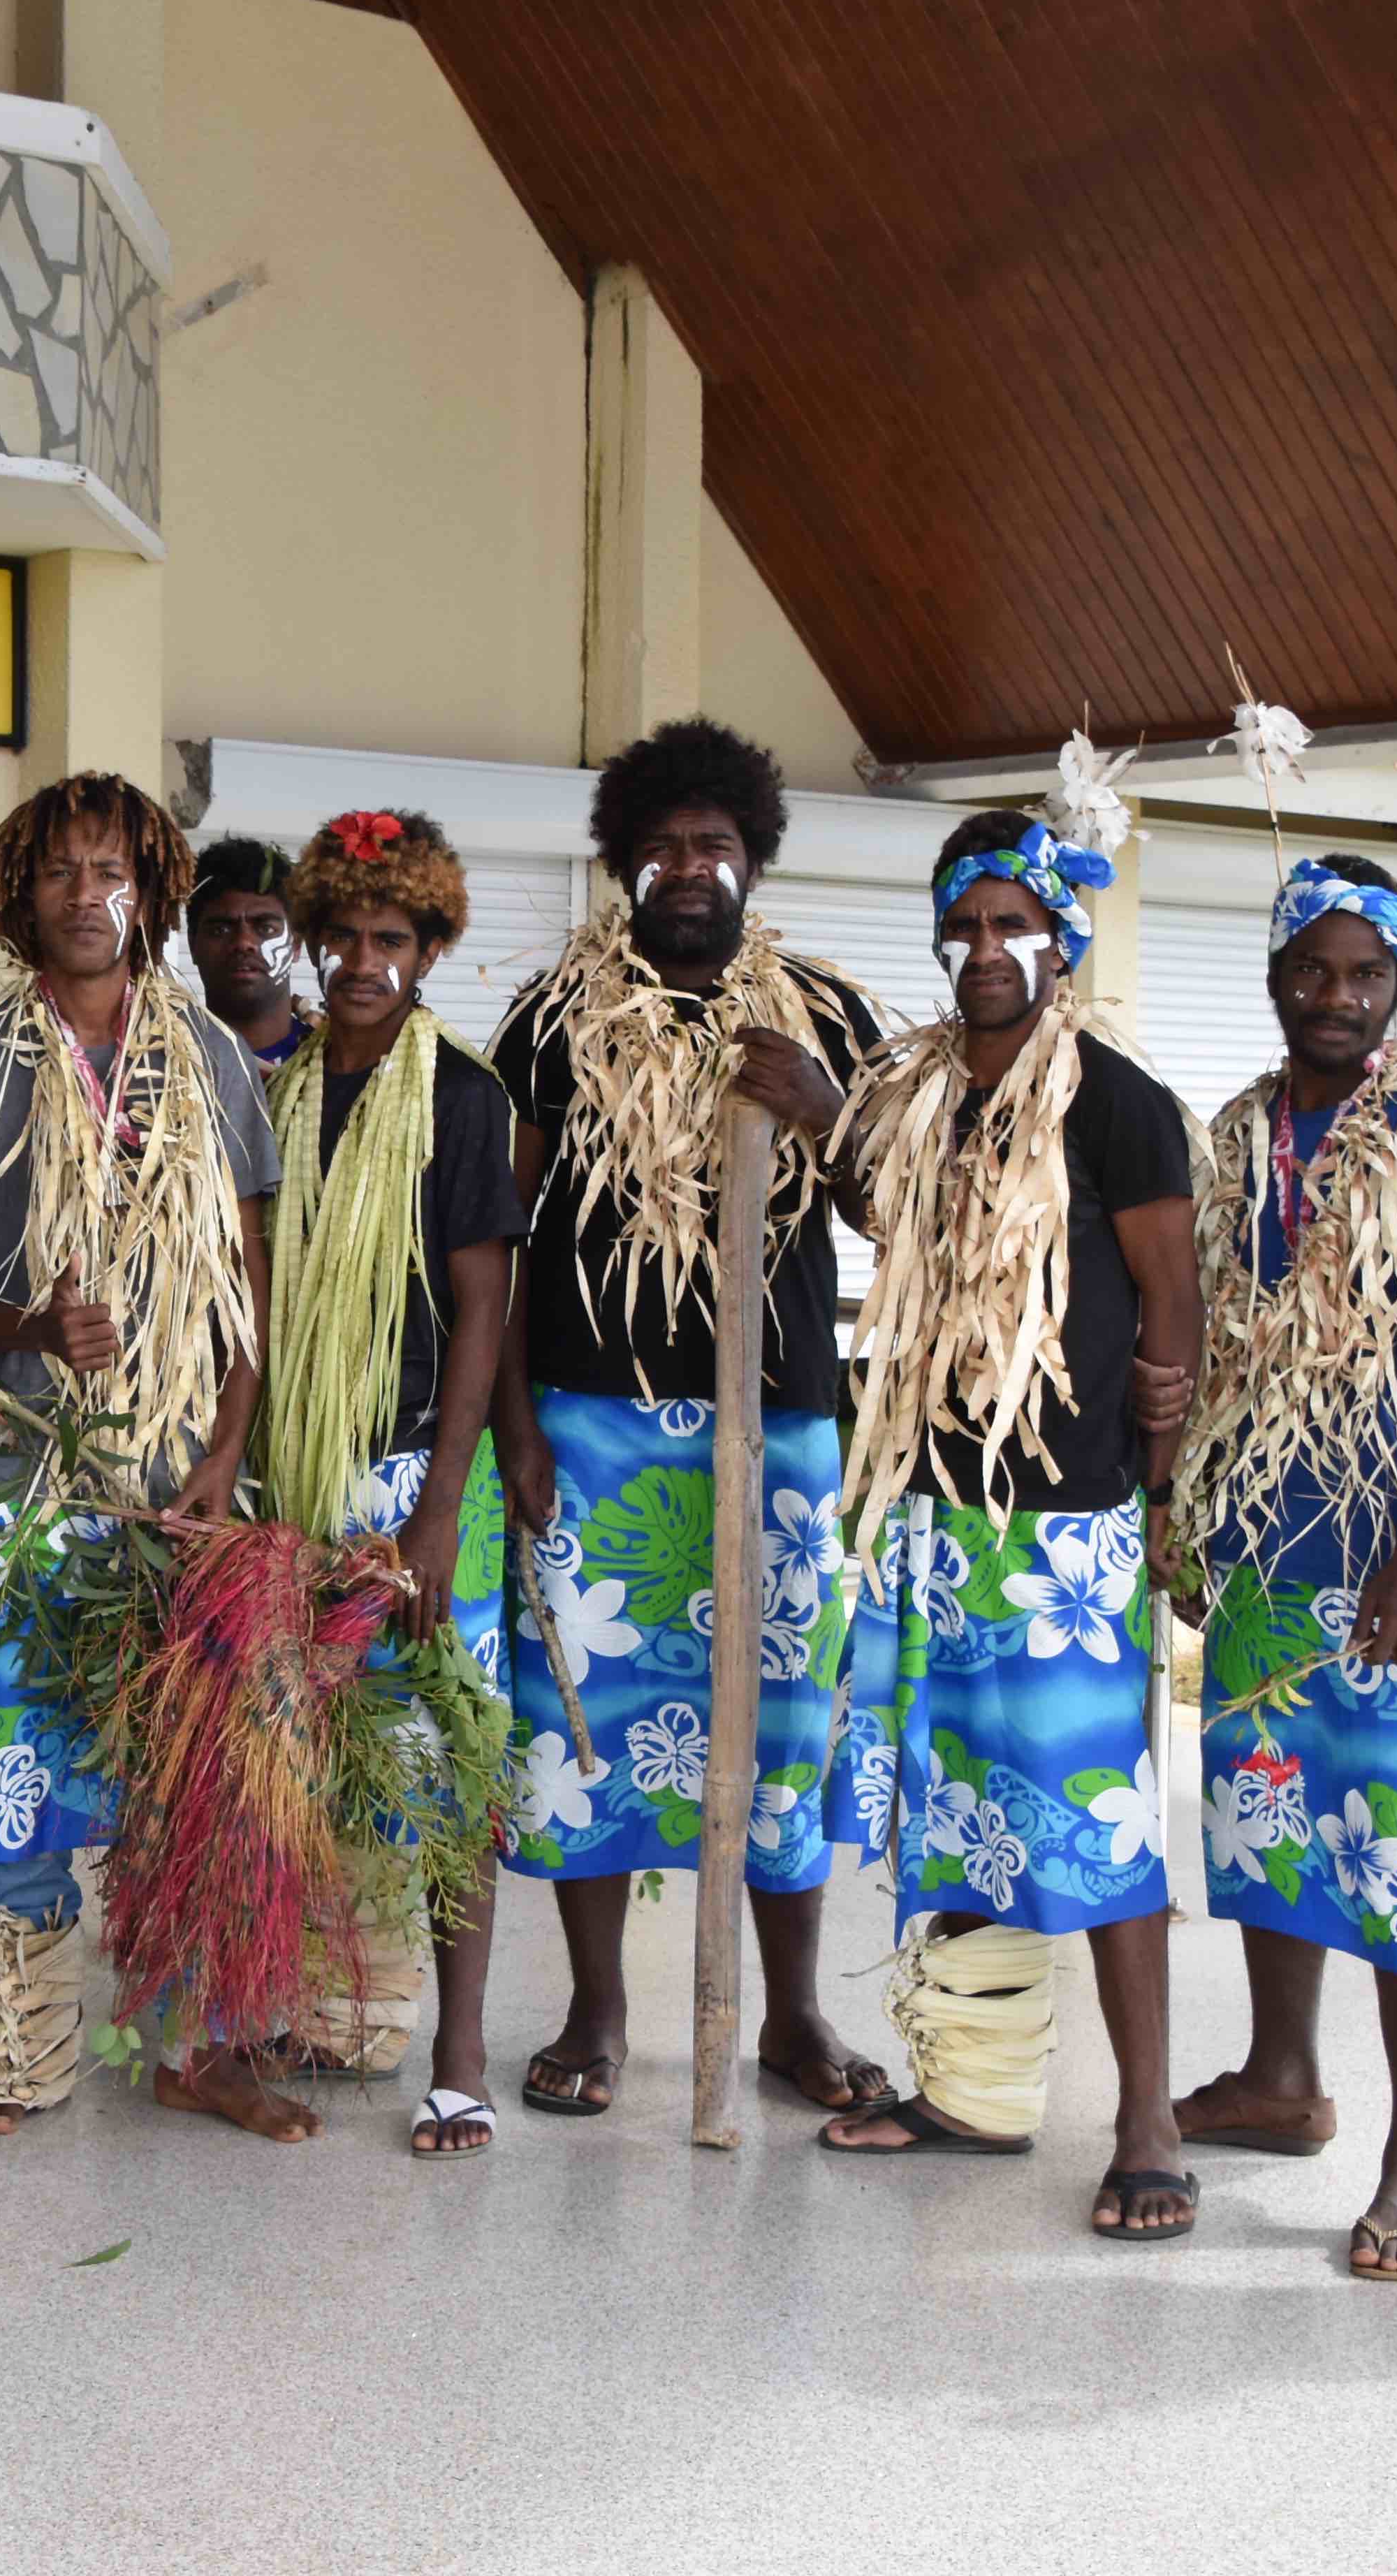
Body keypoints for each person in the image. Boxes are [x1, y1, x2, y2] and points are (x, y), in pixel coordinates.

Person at [483, 720, 894, 2123]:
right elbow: (498, 1224)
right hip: (589, 1416)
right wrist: (514, 1423)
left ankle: (793, 2012)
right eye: (661, 844)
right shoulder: (550, 1015)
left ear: (752, 859)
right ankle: (597, 2007)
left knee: (784, 1725)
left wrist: (827, 1111)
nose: (686, 867)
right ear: (623, 860)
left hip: (775, 1424)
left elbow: (899, 1210)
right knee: (584, 1713)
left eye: (714, 843)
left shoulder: (823, 1010)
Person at [817, 809, 1205, 2247]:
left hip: (1069, 1526)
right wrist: (819, 1111)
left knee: (1097, 1826)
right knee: (965, 1802)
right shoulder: (921, 1090)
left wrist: (1160, 1491)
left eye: (1012, 925)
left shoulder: (1115, 1098)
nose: (986, 949)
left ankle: (1149, 2119)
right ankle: (974, 2089)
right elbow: (893, 1223)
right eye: (964, 926)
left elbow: (1172, 1300)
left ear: (1062, 937)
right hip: (930, 1504)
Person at [1166, 856, 1397, 2282]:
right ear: (1275, 978)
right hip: (1271, 1536)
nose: (1336, 996)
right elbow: (1217, 1336)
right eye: (1311, 970)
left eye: (1365, 974)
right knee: (1269, 1812)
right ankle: (1279, 2076)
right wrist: (1193, 1507)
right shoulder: (1242, 1129)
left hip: (1396, 1546)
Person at [0, 772, 284, 2139]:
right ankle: (32, 2045)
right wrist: (28, 1324)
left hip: (174, 1489)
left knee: (184, 1769)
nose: (85, 893)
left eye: (111, 869)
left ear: (151, 891)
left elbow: (255, 1281)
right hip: (17, 1487)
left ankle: (195, 2043)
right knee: (17, 1768)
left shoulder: (214, 1064)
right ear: (20, 893)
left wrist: (223, 1460)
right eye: (59, 869)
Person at [251, 812, 525, 2156]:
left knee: (450, 1755)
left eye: (392, 940)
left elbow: (482, 1309)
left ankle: (461, 2052)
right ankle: (318, 2000)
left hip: (420, 1479)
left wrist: (436, 1514)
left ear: (429, 952)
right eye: (345, 938)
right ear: (312, 943)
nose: (364, 962)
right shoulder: (278, 1092)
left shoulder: (461, 1098)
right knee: (304, 1749)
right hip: (293, 1479)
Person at [186, 835, 312, 1078]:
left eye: (265, 929)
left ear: (296, 944)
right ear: (193, 944)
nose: (244, 943)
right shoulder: (163, 1061)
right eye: (220, 930)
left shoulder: (333, 1062)